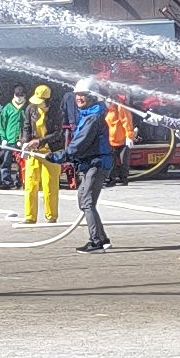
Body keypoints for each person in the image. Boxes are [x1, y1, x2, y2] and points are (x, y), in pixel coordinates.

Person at [65, 81, 119, 253]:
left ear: (92, 97)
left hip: (98, 164)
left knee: (87, 202)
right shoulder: (88, 114)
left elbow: (80, 143)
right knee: (84, 201)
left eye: (83, 95)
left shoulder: (93, 117)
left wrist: (59, 157)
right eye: (77, 94)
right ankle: (102, 239)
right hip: (91, 164)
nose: (78, 98)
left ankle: (95, 242)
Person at [17, 86, 63, 225]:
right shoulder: (31, 109)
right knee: (30, 184)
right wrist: (25, 142)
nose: (37, 104)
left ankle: (51, 216)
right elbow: (26, 128)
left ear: (47, 100)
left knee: (50, 185)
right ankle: (30, 216)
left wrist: (40, 141)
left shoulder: (56, 112)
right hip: (34, 152)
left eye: (40, 101)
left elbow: (57, 133)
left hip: (51, 152)